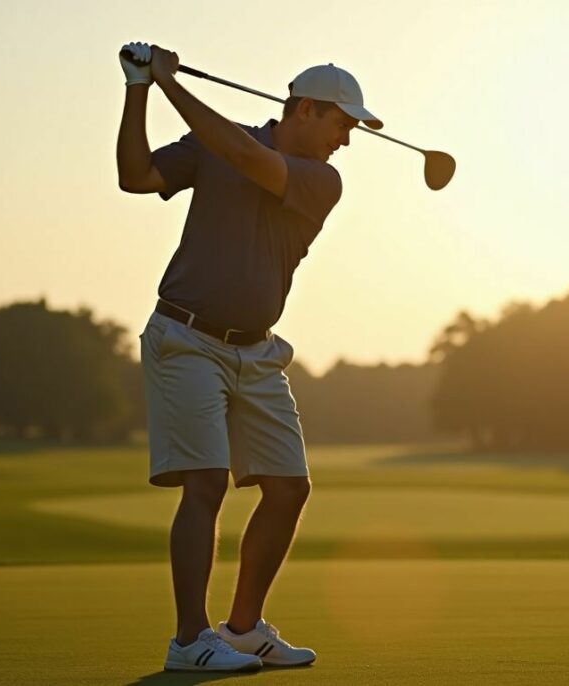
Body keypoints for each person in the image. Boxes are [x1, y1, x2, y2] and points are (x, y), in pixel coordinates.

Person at [115, 42, 380, 672]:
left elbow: (242, 154)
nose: (346, 140)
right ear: (306, 110)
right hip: (185, 339)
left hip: (258, 353)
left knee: (289, 489)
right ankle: (189, 643)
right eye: (343, 123)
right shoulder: (217, 138)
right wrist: (138, 90)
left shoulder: (323, 180)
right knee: (205, 482)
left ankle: (240, 630)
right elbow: (137, 176)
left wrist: (170, 83)